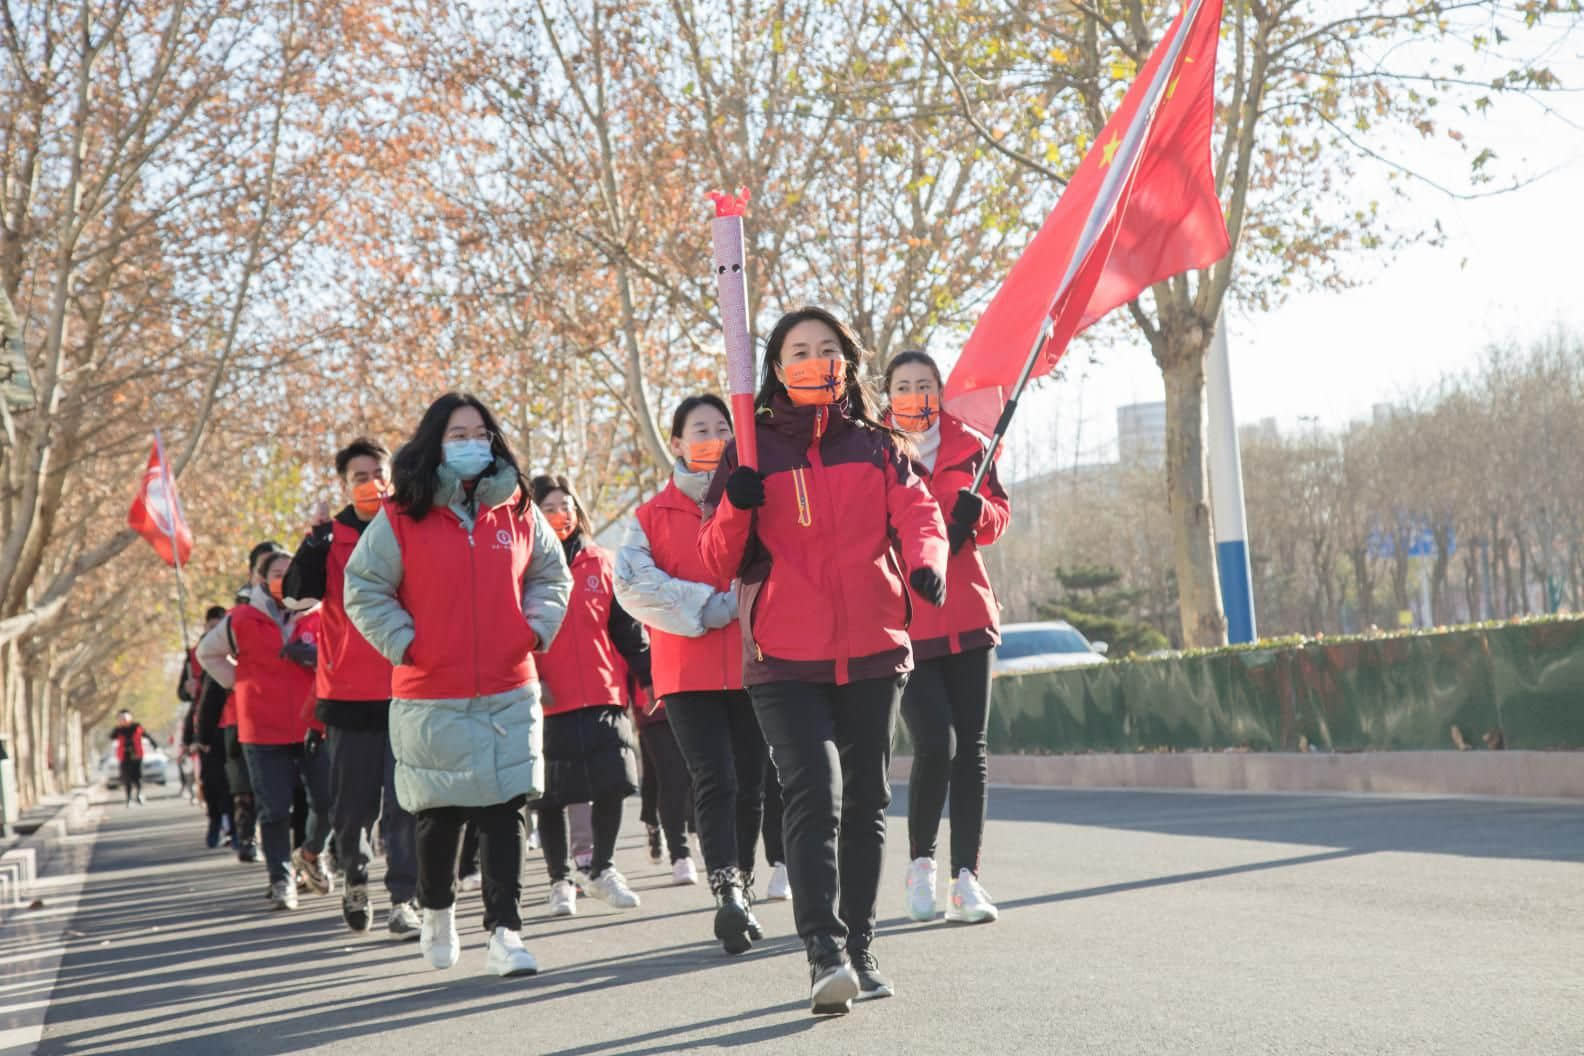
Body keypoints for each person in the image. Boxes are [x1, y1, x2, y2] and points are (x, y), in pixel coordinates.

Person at [699, 306, 949, 1014]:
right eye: (798, 351)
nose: (815, 361)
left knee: (866, 800)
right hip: (784, 657)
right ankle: (823, 955)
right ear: (776, 368)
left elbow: (921, 514)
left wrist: (928, 564)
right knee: (814, 796)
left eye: (827, 349)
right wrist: (736, 505)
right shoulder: (750, 451)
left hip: (874, 647)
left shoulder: (875, 445)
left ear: (847, 362)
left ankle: (862, 945)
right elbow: (718, 560)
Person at [345, 392, 570, 977]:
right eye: (457, 434)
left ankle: (506, 934)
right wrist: (409, 644)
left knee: (505, 813)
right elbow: (363, 587)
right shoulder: (402, 514)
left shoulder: (519, 509)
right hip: (430, 689)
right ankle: (439, 912)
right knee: (439, 816)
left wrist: (535, 628)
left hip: (509, 685)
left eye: (480, 433)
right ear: (434, 443)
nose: (472, 444)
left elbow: (551, 573)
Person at [615, 393, 768, 955]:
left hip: (757, 663)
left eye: (722, 428)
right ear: (676, 443)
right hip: (687, 671)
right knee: (715, 778)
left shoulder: (755, 496)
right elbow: (632, 586)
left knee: (751, 783)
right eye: (699, 429)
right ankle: (725, 885)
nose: (712, 437)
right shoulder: (650, 516)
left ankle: (742, 886)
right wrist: (708, 605)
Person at [886, 350, 1009, 926]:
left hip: (970, 615)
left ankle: (967, 882)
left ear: (940, 392)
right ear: (888, 396)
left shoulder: (969, 444)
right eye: (904, 387)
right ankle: (921, 866)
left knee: (973, 752)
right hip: (909, 620)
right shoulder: (878, 453)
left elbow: (1000, 515)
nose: (915, 395)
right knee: (937, 744)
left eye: (925, 385)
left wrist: (977, 513)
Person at [283, 436, 422, 941]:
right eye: (359, 477)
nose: (371, 484)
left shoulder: (411, 525)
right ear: (345, 485)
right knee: (352, 809)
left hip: (408, 686)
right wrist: (314, 538)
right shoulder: (331, 537)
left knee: (406, 802)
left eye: (378, 474)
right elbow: (297, 596)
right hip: (347, 696)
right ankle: (356, 879)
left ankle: (404, 900)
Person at [529, 474, 650, 917]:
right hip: (547, 699)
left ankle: (602, 868)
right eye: (550, 508)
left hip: (603, 691)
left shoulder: (603, 562)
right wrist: (530, 679)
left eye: (567, 506)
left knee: (613, 783)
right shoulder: (524, 570)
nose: (561, 515)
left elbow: (627, 631)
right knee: (550, 796)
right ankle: (559, 879)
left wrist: (649, 679)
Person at [197, 548, 332, 911]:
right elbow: (206, 654)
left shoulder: (321, 612)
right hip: (262, 730)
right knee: (274, 809)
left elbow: (342, 658)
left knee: (327, 802)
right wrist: (240, 684)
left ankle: (311, 853)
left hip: (314, 724)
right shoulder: (240, 619)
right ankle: (281, 879)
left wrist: (316, 660)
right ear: (258, 579)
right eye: (275, 572)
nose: (283, 578)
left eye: (291, 571)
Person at [193, 605, 236, 847]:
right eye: (211, 627)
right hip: (207, 725)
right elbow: (189, 697)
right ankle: (214, 821)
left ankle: (237, 828)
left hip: (231, 723)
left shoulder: (233, 649)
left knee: (232, 781)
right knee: (211, 780)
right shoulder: (198, 654)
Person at [109, 711, 159, 807]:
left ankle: (139, 795)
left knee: (137, 777)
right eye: (121, 719)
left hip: (136, 755)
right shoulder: (118, 730)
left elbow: (147, 736)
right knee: (127, 778)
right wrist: (118, 728)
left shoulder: (136, 727)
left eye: (125, 718)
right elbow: (111, 736)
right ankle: (128, 798)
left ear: (130, 718)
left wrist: (155, 745)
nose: (124, 721)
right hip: (124, 756)